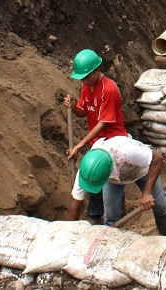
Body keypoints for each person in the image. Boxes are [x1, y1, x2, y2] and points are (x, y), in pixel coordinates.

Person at [64, 48, 128, 224]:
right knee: (94, 178)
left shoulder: (109, 89)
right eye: (82, 78)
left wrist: (79, 145)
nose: (84, 81)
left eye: (87, 77)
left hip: (113, 141)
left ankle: (108, 215)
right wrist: (73, 107)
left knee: (104, 178)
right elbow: (83, 112)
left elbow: (103, 124)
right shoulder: (87, 86)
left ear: (97, 70)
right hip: (97, 142)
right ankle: (95, 215)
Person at [68, 136, 166, 237]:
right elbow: (76, 203)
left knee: (160, 207)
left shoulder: (127, 151)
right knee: (111, 219)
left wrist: (147, 193)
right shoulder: (87, 170)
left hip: (143, 171)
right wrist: (71, 234)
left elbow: (157, 158)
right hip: (114, 180)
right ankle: (109, 243)